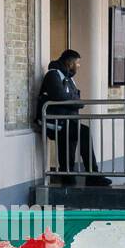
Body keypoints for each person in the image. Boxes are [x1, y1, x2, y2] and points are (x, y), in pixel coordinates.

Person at [38, 49, 110, 186]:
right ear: (69, 62)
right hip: (55, 121)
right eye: (77, 63)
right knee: (84, 132)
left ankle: (68, 176)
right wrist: (74, 102)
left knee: (69, 144)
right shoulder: (53, 75)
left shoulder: (69, 78)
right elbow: (59, 96)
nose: (78, 66)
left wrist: (74, 101)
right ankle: (92, 174)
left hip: (67, 121)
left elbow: (75, 98)